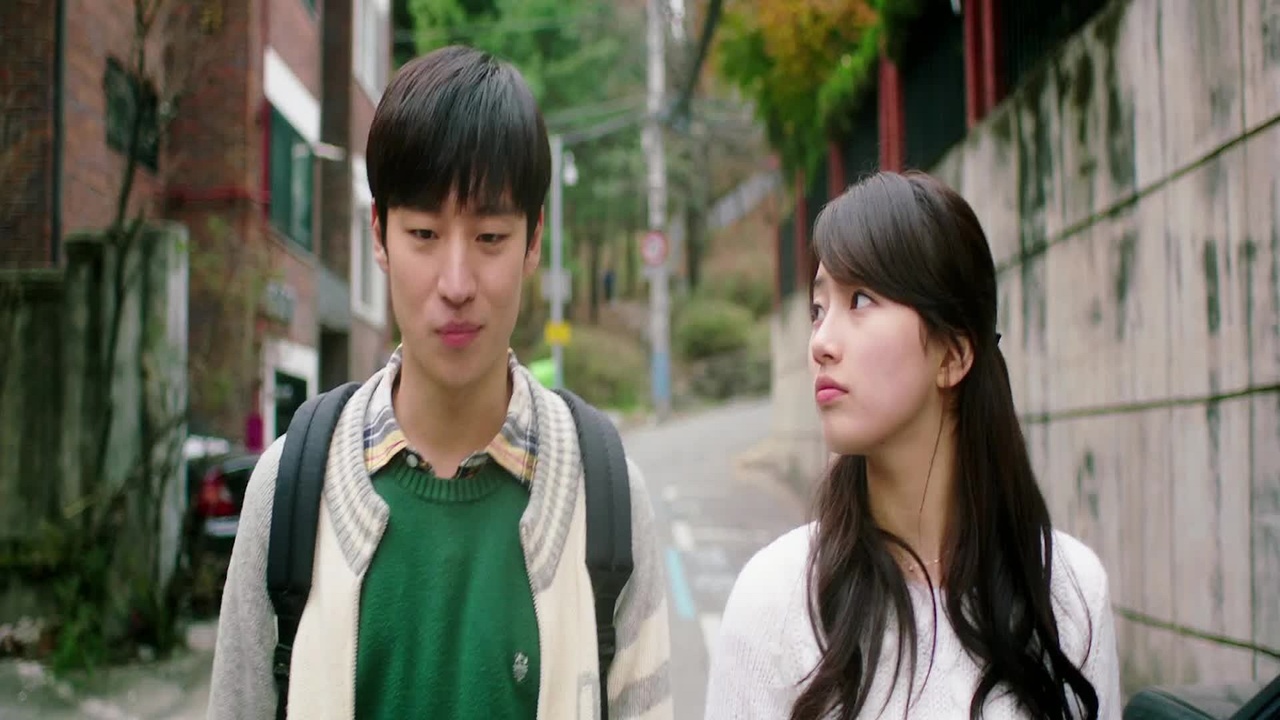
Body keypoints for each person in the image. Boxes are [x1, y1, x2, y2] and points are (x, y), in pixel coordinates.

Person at [208, 45, 672, 720]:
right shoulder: (288, 492)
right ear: (379, 233)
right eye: (424, 233)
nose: (456, 284)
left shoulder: (608, 501)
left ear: (533, 241)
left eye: (490, 237)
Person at [704, 171, 1121, 719]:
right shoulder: (777, 601)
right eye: (817, 309)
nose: (821, 342)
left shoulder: (1069, 594)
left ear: (954, 354)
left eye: (859, 299)